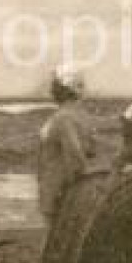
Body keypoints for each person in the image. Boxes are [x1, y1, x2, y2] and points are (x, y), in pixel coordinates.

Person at [37, 65, 99, 247]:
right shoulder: (76, 118)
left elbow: (76, 153)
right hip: (66, 185)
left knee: (54, 236)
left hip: (55, 184)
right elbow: (84, 152)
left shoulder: (61, 118)